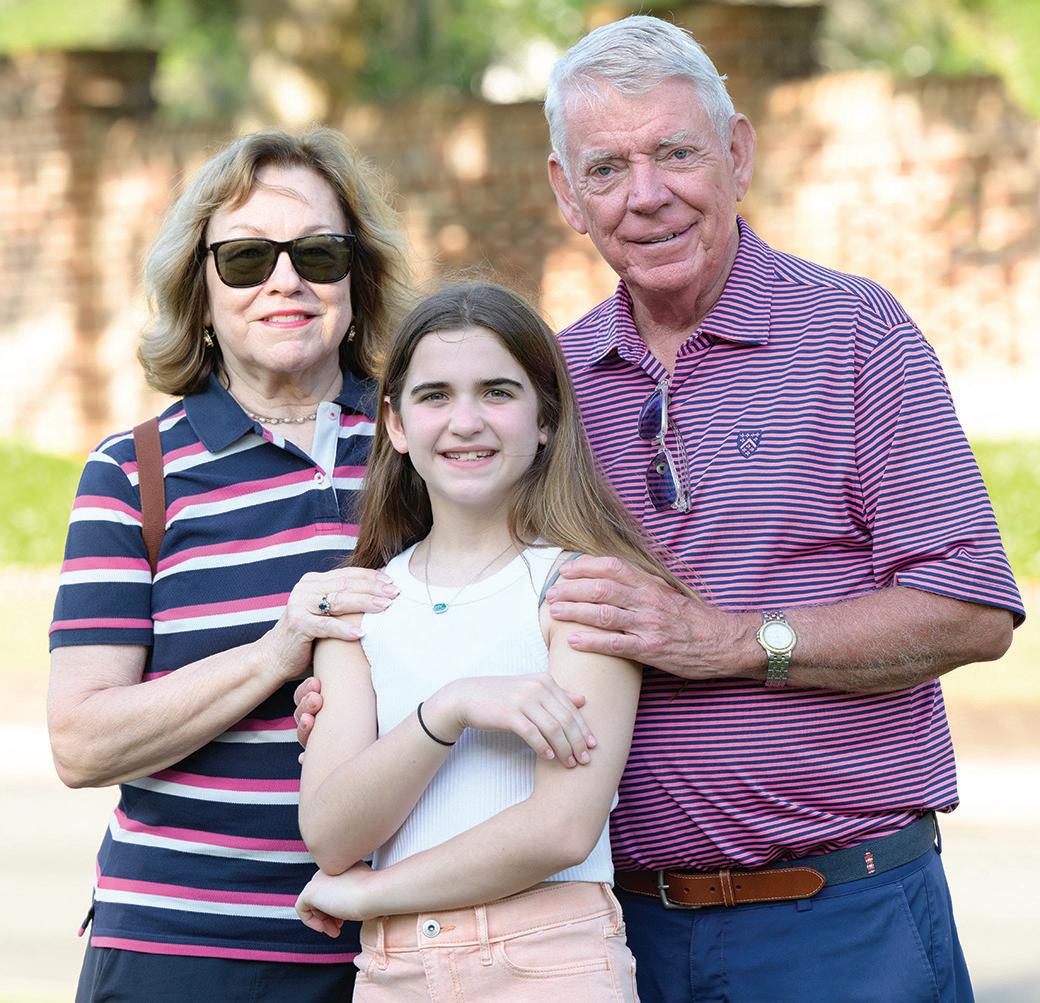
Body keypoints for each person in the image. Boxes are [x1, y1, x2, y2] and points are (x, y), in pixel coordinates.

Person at [297, 16, 1025, 1003]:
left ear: (736, 155)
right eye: (606, 169)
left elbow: (971, 607)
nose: (645, 195)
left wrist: (729, 641)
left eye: (675, 153)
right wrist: (372, 685)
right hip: (617, 933)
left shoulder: (854, 334)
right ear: (567, 194)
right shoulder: (548, 386)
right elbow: (475, 591)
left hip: (836, 921)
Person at [48, 127, 412, 1001]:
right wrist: (276, 652)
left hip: (396, 953)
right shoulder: (135, 472)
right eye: (246, 258)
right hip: (178, 953)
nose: (286, 281)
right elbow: (81, 741)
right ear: (201, 293)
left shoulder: (427, 447)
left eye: (318, 254)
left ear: (357, 281)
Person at [294, 282, 697, 1000]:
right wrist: (448, 710)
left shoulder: (581, 588)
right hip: (394, 974)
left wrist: (370, 893)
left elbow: (562, 828)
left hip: (549, 961)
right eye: (435, 396)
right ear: (395, 424)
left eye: (498, 392)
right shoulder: (360, 604)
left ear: (545, 419)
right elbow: (331, 833)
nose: (466, 421)